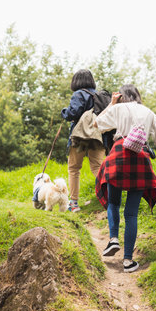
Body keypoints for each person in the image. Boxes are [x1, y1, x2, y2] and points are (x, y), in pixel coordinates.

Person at [94, 84, 156, 272]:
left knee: (113, 203)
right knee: (131, 213)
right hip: (140, 157)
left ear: (122, 96)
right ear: (138, 96)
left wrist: (111, 104)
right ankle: (127, 261)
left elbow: (97, 124)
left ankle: (113, 239)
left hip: (118, 154)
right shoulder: (149, 112)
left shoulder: (117, 108)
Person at [61, 69, 106, 212]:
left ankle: (73, 203)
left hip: (80, 136)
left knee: (74, 168)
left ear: (76, 81)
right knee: (98, 166)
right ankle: (109, 196)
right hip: (96, 135)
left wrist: (64, 112)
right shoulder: (99, 95)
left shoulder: (78, 94)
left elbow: (72, 113)